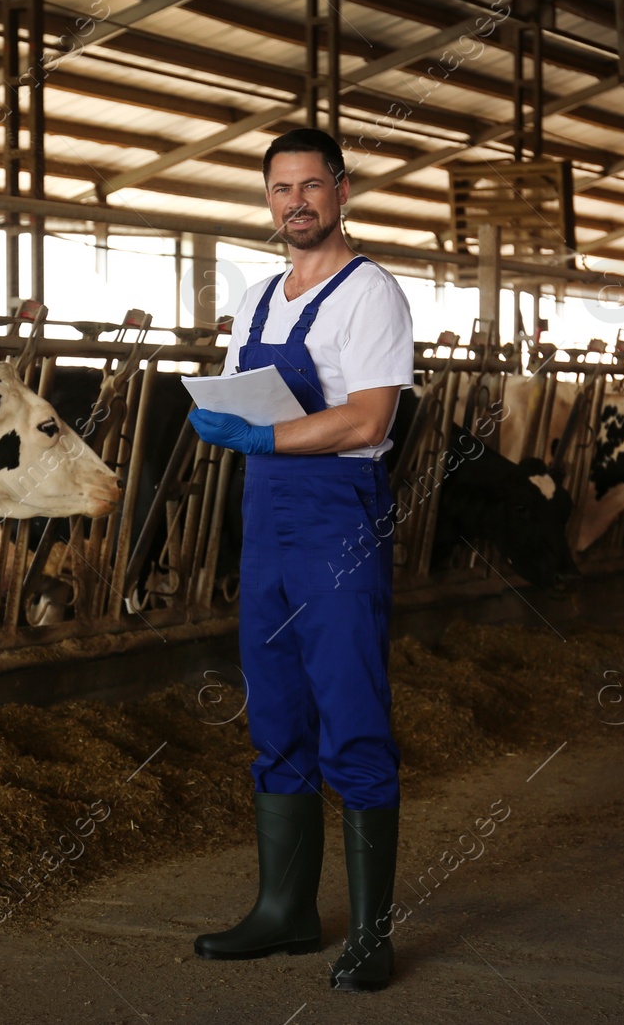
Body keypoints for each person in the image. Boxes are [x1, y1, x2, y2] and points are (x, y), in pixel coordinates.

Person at [186, 128, 413, 992]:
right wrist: (220, 415)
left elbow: (368, 420)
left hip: (336, 516)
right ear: (268, 198)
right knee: (275, 707)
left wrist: (264, 433)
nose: (296, 203)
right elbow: (242, 388)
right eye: (281, 189)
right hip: (266, 516)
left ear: (342, 191)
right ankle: (284, 912)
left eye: (311, 186)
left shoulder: (372, 294)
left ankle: (370, 933)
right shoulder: (255, 297)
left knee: (351, 707)